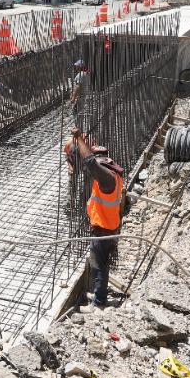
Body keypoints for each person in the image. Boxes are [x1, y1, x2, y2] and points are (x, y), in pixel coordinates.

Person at [68, 130, 124, 307]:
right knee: (102, 263)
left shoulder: (107, 179)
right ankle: (99, 294)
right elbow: (90, 160)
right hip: (108, 226)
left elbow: (91, 163)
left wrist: (77, 138)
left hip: (103, 230)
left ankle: (99, 300)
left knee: (99, 265)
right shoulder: (112, 174)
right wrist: (82, 143)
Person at [69, 59, 90, 132]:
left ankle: (78, 129)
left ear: (79, 67)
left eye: (77, 66)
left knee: (76, 113)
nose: (75, 67)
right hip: (82, 96)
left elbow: (78, 87)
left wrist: (73, 98)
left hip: (79, 97)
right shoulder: (85, 73)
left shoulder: (80, 75)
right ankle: (79, 128)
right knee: (79, 112)